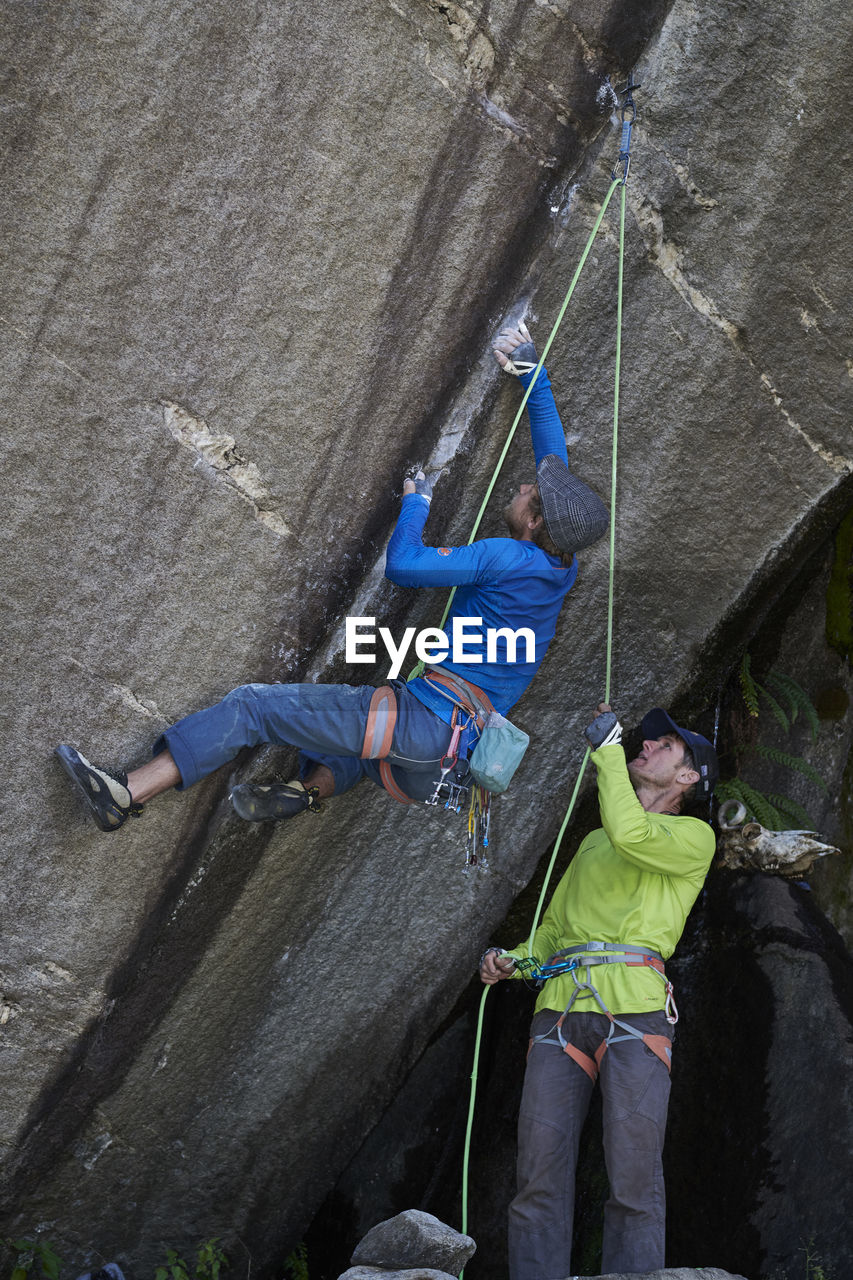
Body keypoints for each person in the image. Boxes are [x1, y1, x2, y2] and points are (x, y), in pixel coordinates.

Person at [56, 323, 608, 832]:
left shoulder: (506, 558)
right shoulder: (561, 564)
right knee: (356, 743)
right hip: (442, 766)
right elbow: (551, 455)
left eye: (529, 494)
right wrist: (531, 370)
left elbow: (405, 567)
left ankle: (126, 793)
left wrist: (416, 502)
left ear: (535, 523)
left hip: (420, 728)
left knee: (254, 706)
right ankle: (308, 789)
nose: (521, 486)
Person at [480, 704, 719, 1279]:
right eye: (648, 740)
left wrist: (609, 751)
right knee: (537, 1177)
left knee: (633, 1177)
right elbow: (554, 931)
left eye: (667, 746)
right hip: (560, 1009)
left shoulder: (694, 837)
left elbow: (633, 834)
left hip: (635, 1010)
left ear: (688, 778)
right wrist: (511, 961)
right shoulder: (592, 843)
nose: (649, 745)